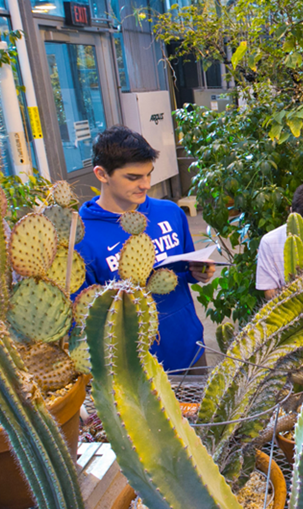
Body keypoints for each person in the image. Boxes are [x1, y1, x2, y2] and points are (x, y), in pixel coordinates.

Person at [74, 125, 214, 372]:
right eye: (133, 177)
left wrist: (198, 272)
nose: (146, 184)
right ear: (102, 174)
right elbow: (83, 317)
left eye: (149, 174)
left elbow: (184, 271)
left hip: (189, 346)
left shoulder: (170, 212)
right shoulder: (81, 237)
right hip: (130, 367)